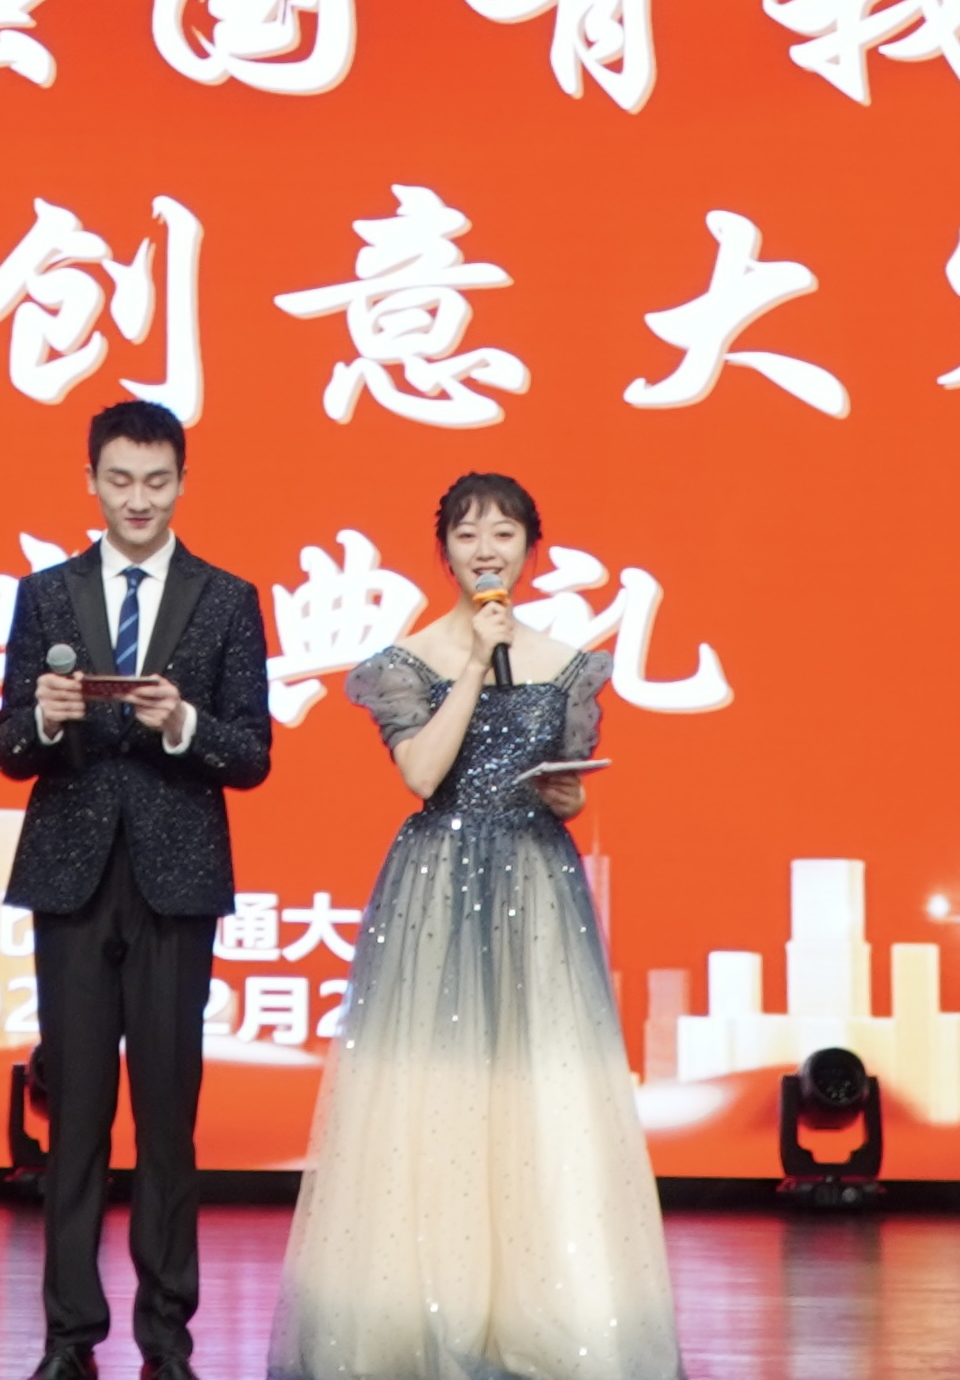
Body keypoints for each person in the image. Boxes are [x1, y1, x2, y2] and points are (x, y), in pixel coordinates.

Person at [269, 471, 680, 1380]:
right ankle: (423, 1310)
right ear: (444, 550)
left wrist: (566, 798)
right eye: (467, 534)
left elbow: (562, 781)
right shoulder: (408, 660)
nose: (486, 550)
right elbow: (423, 773)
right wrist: (471, 663)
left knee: (536, 1093)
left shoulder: (568, 664)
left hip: (536, 885)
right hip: (438, 887)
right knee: (431, 1098)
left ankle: (539, 1309)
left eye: (504, 533)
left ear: (532, 547)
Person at [0, 397, 278, 1380]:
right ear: (91, 481)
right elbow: (8, 748)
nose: (138, 499)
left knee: (167, 1119)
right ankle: (69, 1340)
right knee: (73, 1118)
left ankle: (167, 1342)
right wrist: (44, 716)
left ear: (183, 482)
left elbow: (253, 754)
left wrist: (183, 723)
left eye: (157, 480)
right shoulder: (46, 594)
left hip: (176, 882)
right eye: (120, 479)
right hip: (71, 880)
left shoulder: (227, 598)